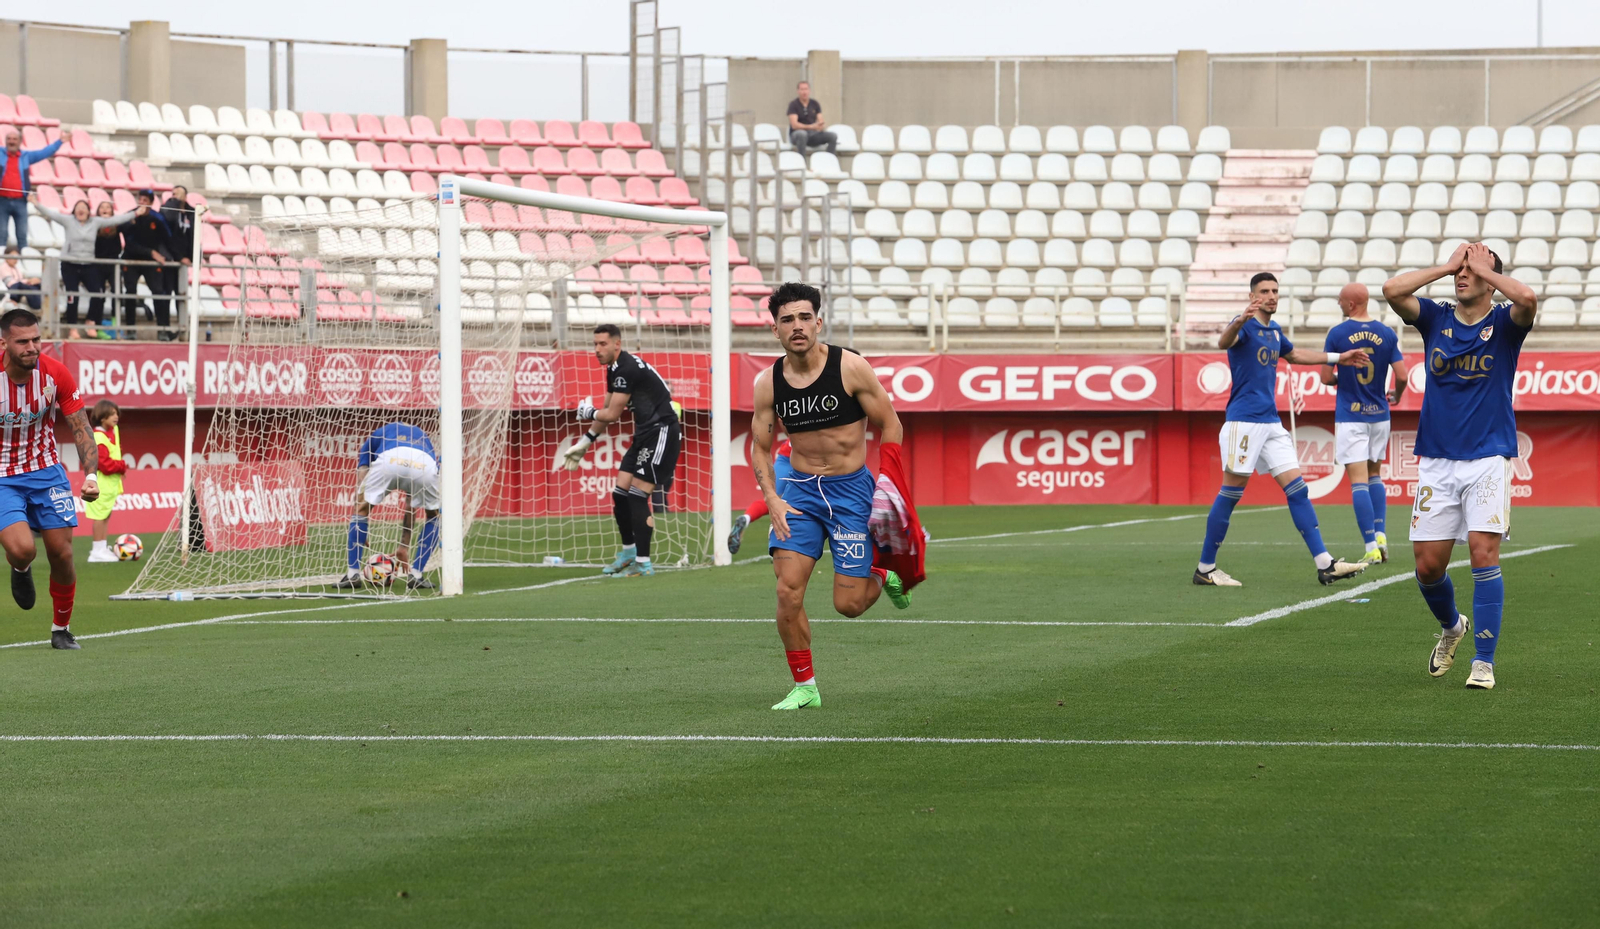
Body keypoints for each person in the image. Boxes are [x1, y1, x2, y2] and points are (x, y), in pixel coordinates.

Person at [1382, 243, 1537, 691]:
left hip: (1488, 458)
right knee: (1428, 568)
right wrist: (1449, 265)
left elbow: (1527, 299)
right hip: (1436, 460)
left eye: (1469, 268)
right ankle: (1453, 626)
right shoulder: (1436, 318)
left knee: (1483, 555)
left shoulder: (1505, 323)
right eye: (1458, 269)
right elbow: (1392, 289)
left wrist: (1484, 271)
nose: (1460, 274)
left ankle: (1483, 662)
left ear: (1490, 276)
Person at [749, 281, 911, 710]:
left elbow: (890, 425)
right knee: (788, 591)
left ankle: (882, 575)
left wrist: (888, 479)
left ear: (819, 321)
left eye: (805, 317)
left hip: (850, 491)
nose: (797, 326)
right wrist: (771, 498)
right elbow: (760, 448)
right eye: (787, 320)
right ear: (776, 330)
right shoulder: (768, 383)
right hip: (798, 494)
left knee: (849, 605)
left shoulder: (851, 368)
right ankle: (806, 686)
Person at [1194, 271, 1370, 588]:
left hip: (1271, 423)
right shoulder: (1244, 325)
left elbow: (1295, 354)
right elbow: (1224, 341)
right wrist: (1237, 320)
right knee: (1231, 493)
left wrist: (1338, 357)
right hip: (1244, 422)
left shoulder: (1274, 330)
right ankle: (1205, 568)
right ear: (1253, 297)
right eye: (1265, 291)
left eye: (1275, 290)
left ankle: (1325, 564)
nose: (1272, 295)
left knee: (1298, 489)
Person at [0, 308, 99, 649]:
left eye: (36, 339)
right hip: (2, 477)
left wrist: (91, 475)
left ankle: (61, 629)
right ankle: (21, 567)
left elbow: (81, 427)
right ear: (4, 343)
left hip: (45, 470)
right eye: (23, 341)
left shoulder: (55, 374)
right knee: (23, 549)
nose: (32, 347)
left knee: (62, 553)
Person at [562, 324, 682, 577]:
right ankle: (628, 552)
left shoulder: (626, 368)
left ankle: (644, 563)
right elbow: (606, 411)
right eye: (594, 344)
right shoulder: (614, 369)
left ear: (617, 344)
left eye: (602, 344)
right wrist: (586, 441)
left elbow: (611, 414)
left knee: (637, 495)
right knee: (620, 494)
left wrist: (588, 412)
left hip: (661, 432)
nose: (597, 349)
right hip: (644, 434)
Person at [1318, 282, 1409, 565]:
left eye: (1340, 301)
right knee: (1375, 476)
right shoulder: (1387, 333)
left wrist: (1339, 381)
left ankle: (1370, 545)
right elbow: (1403, 376)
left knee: (1357, 481)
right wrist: (1397, 394)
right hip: (1379, 413)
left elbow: (1324, 377)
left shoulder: (1338, 333)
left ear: (1350, 304)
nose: (1339, 305)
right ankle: (1381, 533)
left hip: (1351, 414)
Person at [337, 421, 441, 591]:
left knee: (361, 510)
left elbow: (361, 480)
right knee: (433, 516)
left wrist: (360, 527)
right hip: (424, 465)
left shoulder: (376, 435)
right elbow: (411, 502)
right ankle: (416, 575)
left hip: (390, 460)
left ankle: (352, 574)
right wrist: (403, 546)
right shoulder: (423, 436)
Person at [29, 193, 134, 339]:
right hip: (70, 264)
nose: (81, 210)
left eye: (84, 207)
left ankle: (91, 322)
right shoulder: (68, 221)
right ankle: (73, 328)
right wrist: (36, 203)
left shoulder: (95, 222)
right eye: (78, 207)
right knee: (73, 296)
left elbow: (116, 219)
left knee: (98, 293)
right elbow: (51, 214)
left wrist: (135, 213)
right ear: (74, 211)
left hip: (88, 264)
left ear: (88, 211)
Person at [117, 190, 174, 341]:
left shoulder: (157, 218)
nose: (141, 202)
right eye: (139, 199)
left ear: (150, 202)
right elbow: (127, 242)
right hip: (131, 260)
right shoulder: (130, 216)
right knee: (130, 291)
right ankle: (130, 330)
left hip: (151, 262)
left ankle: (162, 330)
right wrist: (151, 252)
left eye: (145, 200)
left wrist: (168, 257)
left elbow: (168, 238)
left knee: (158, 292)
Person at [0, 129, 63, 250]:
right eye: (9, 139)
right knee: (1, 234)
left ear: (20, 142)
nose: (11, 141)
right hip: (2, 201)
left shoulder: (26, 157)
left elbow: (44, 152)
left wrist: (60, 142)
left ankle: (24, 260)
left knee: (22, 235)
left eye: (14, 139)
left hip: (20, 201)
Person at [727, 439, 791, 555]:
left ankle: (746, 518)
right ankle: (780, 547)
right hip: (806, 460)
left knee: (774, 500)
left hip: (784, 458)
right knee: (795, 501)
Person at [85, 400, 128, 563]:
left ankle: (102, 548)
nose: (116, 417)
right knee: (99, 516)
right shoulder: (98, 437)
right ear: (102, 417)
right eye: (112, 414)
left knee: (105, 515)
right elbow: (104, 464)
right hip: (100, 483)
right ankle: (96, 550)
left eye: (116, 413)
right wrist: (122, 466)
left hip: (110, 484)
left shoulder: (112, 431)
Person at [160, 185, 196, 334]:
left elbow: (194, 235)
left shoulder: (191, 212)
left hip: (184, 261)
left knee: (181, 295)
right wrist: (178, 257)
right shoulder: (167, 209)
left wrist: (192, 256)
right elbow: (167, 234)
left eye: (179, 194)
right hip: (170, 259)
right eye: (173, 194)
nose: (175, 196)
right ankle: (165, 329)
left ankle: (183, 329)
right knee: (166, 294)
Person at [91, 202, 123, 339]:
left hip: (114, 264)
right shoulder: (93, 226)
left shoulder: (118, 226)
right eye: (102, 207)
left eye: (108, 207)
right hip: (97, 264)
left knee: (117, 292)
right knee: (99, 295)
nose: (105, 209)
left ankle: (116, 323)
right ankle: (97, 327)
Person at [786, 81, 837, 157]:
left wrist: (820, 126)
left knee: (833, 136)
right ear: (798, 91)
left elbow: (820, 121)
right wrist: (811, 127)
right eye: (802, 89)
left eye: (806, 89)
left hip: (812, 135)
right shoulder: (793, 105)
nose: (804, 92)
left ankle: (828, 161)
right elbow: (794, 125)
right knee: (802, 134)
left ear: (809, 90)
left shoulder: (815, 104)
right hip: (797, 135)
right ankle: (802, 163)